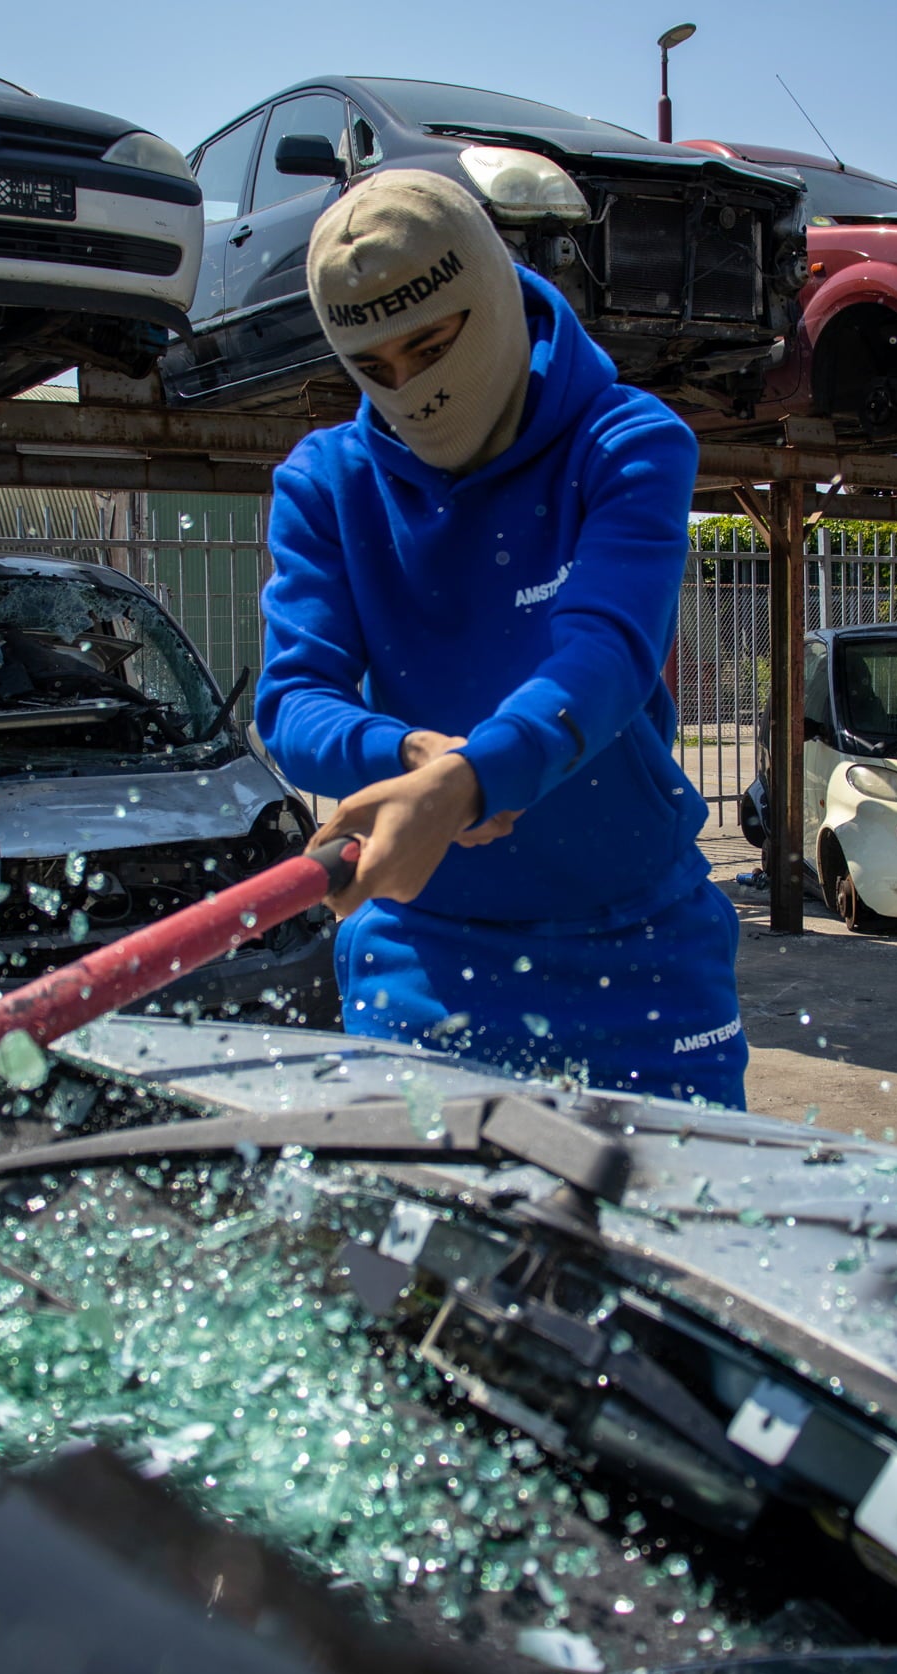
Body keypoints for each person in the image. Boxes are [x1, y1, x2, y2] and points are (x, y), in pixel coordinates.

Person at [255, 168, 747, 1108]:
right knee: (423, 1251)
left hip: (640, 953)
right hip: (425, 959)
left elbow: (605, 653)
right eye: (373, 368)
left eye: (429, 345)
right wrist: (404, 752)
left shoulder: (628, 441)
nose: (410, 391)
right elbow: (292, 700)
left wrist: (473, 777)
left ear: (490, 296)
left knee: (678, 1247)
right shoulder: (326, 482)